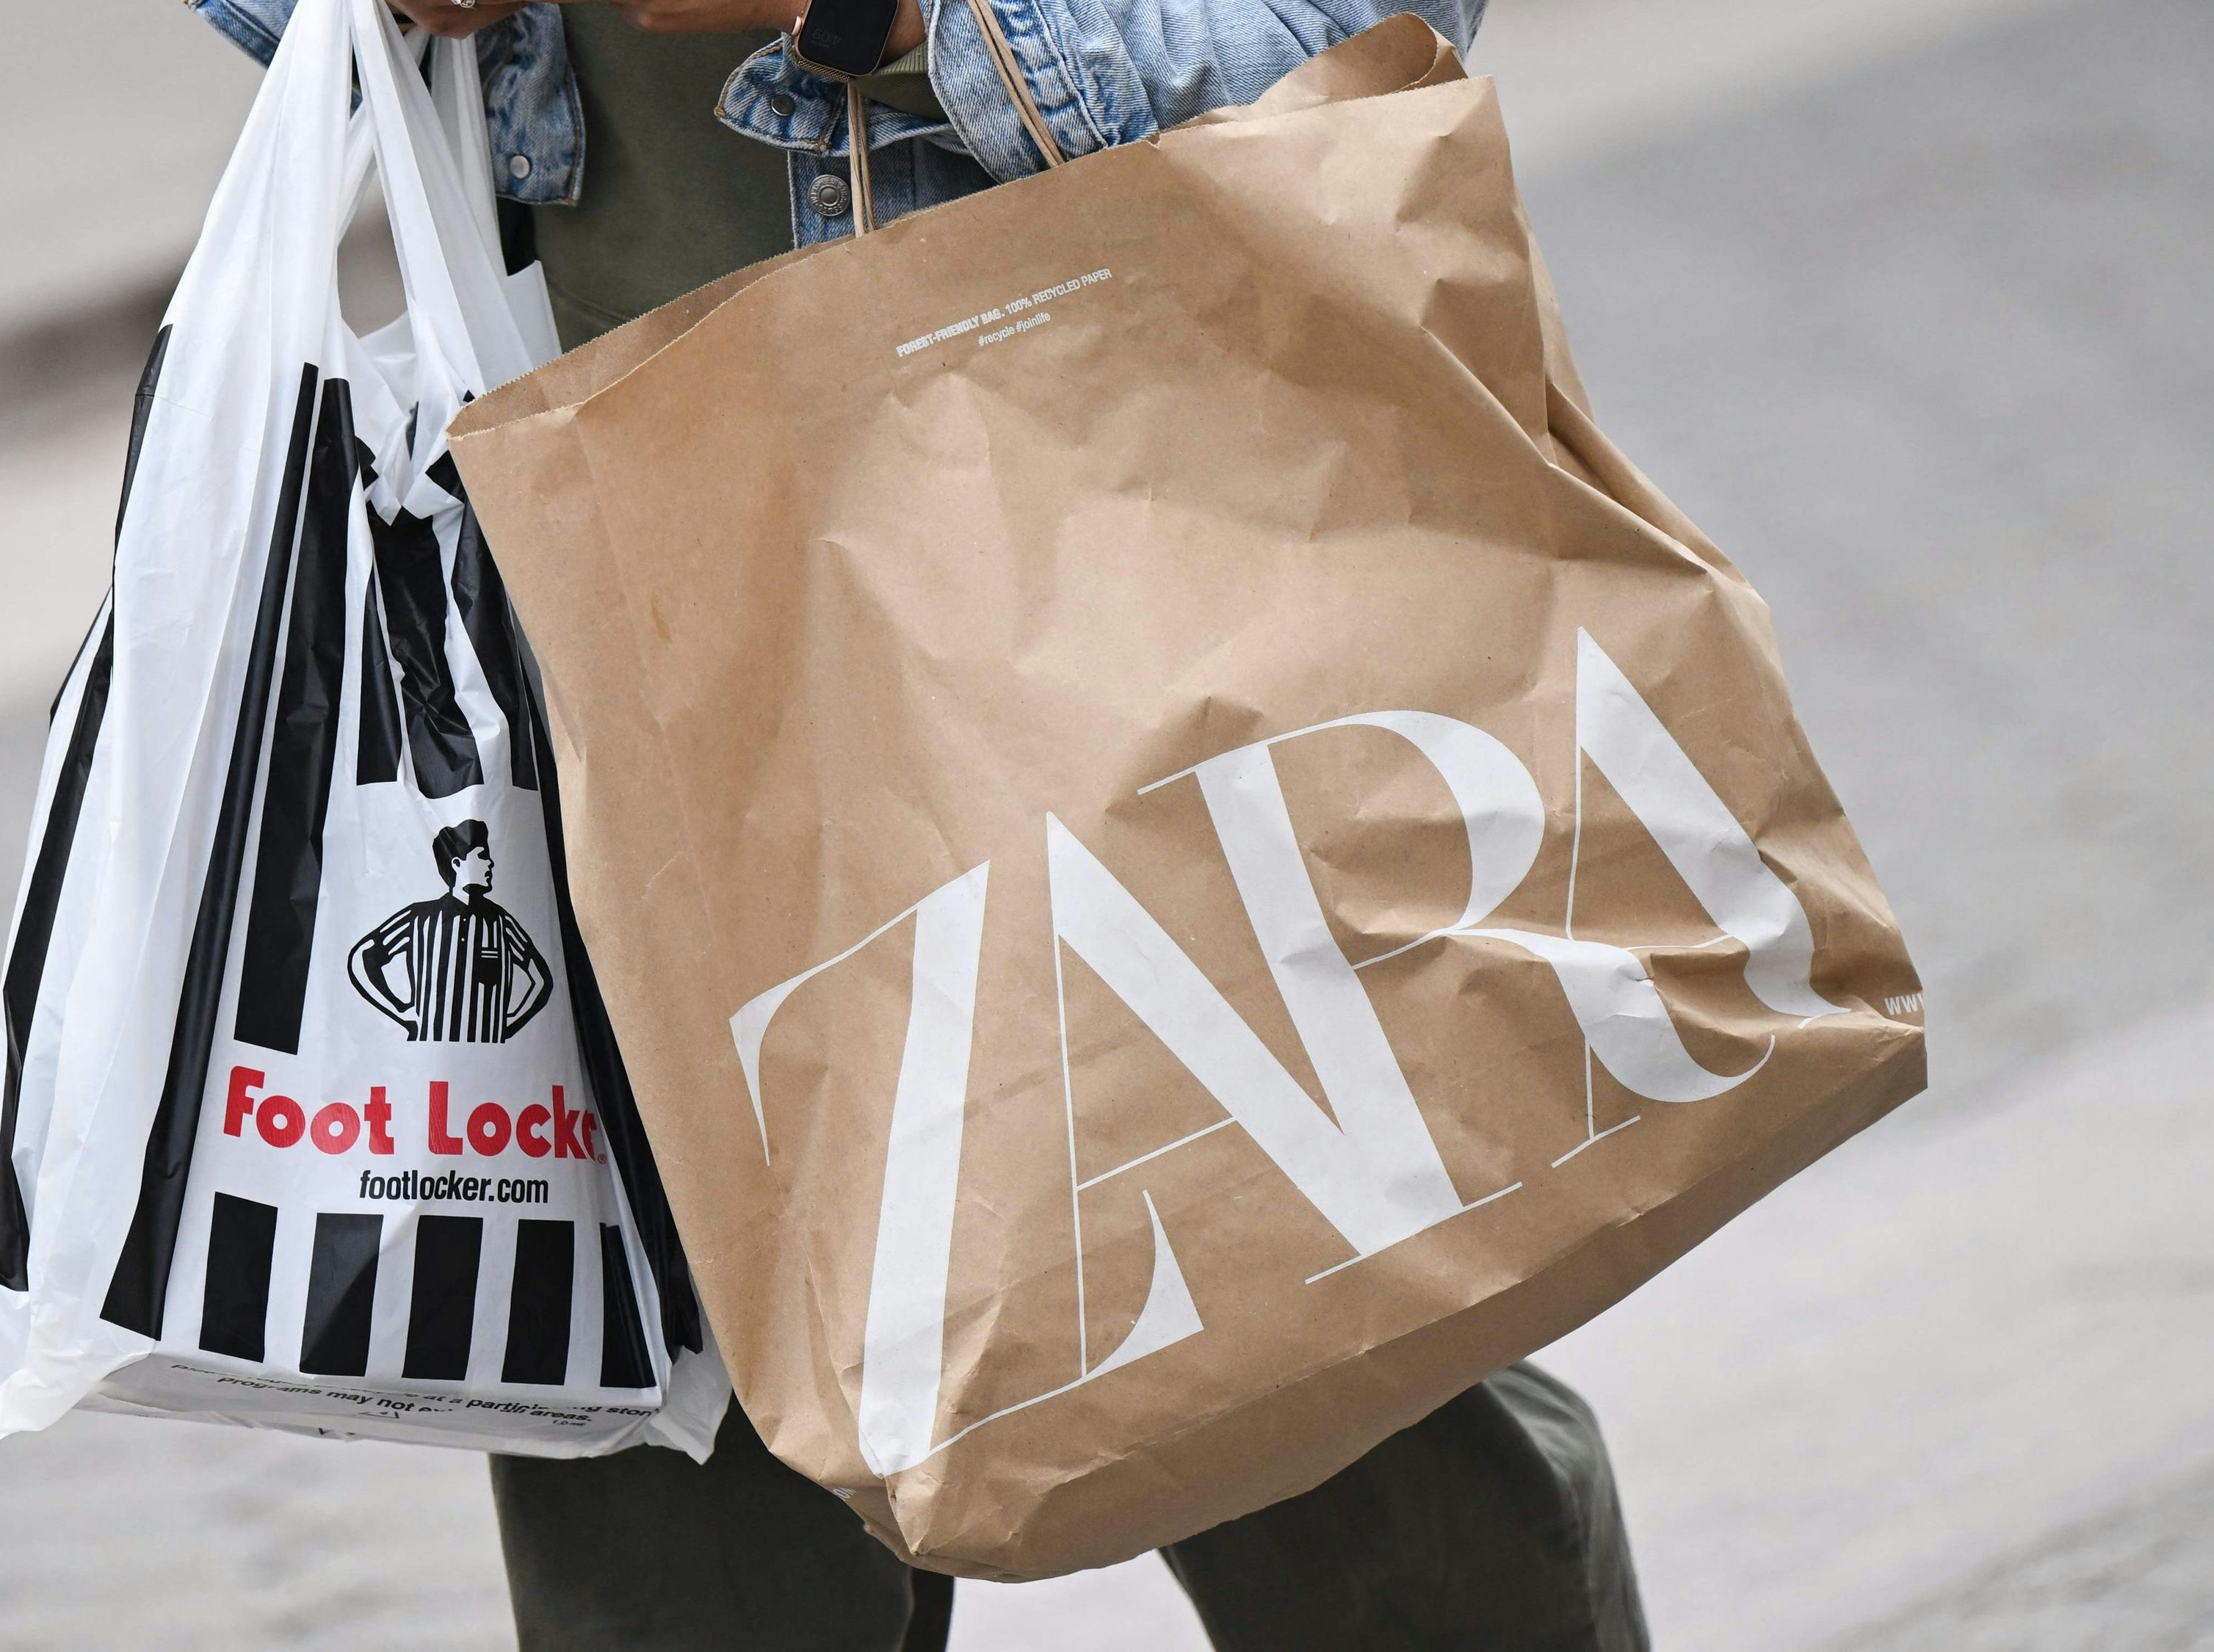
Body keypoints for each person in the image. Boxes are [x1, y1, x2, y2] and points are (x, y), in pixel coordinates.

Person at [190, 1, 1651, 1645]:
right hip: (614, 540)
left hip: (1121, 498)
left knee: (1338, 1413)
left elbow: (1343, 30)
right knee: (694, 1513)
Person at [348, 819, 555, 1043]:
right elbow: (362, 956)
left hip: (492, 1057)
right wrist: (400, 1011)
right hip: (426, 1054)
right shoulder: (418, 918)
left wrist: (509, 1024)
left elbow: (542, 978)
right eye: (482, 856)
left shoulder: (501, 923)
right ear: (457, 863)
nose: (491, 863)